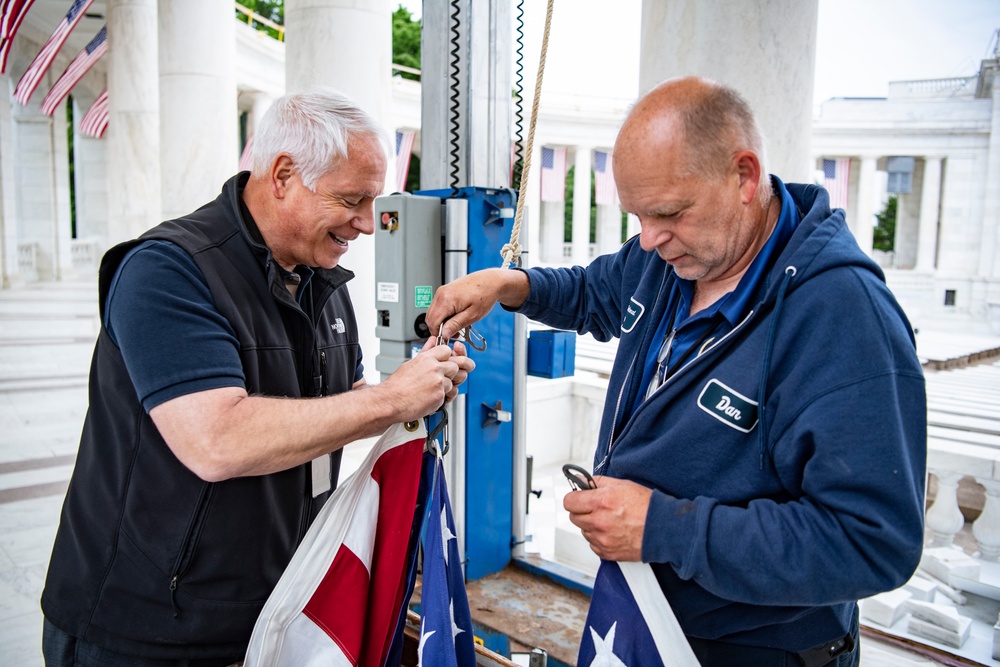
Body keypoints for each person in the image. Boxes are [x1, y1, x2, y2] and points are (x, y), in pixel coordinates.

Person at [427, 77, 926, 666]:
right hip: (645, 621)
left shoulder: (843, 315)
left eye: (667, 213)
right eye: (637, 215)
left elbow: (873, 542)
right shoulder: (672, 256)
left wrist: (663, 529)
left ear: (743, 176)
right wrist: (511, 285)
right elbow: (595, 291)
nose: (649, 238)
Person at [41, 89, 475, 666]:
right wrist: (393, 399)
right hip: (143, 632)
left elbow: (330, 412)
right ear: (283, 175)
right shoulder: (167, 271)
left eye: (375, 201)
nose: (369, 224)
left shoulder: (325, 286)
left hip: (267, 614)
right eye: (353, 199)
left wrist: (416, 381)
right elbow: (217, 439)